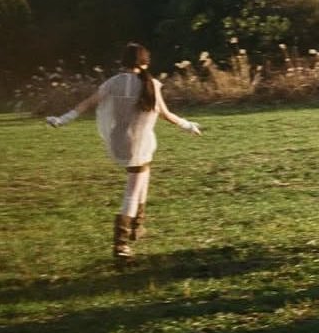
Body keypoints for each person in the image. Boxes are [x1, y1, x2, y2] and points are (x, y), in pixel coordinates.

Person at [45, 42, 202, 261]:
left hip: (120, 140)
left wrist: (62, 119)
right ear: (144, 61)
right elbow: (165, 114)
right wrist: (187, 125)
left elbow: (87, 103)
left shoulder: (113, 83)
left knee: (144, 176)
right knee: (132, 190)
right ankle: (121, 243)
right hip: (140, 142)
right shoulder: (151, 84)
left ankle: (138, 224)